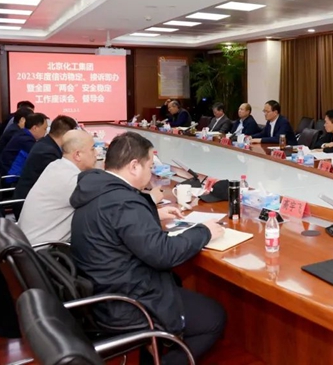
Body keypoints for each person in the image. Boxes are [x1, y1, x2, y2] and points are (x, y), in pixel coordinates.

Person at [70, 132, 226, 364]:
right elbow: (163, 254)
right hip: (125, 303)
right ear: (134, 166)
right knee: (213, 317)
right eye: (150, 166)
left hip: (104, 292)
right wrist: (205, 232)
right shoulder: (123, 202)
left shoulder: (99, 189)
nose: (151, 173)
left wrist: (151, 214)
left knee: (176, 281)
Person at [17, 130, 97, 244]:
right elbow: (105, 200)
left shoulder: (55, 165)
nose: (96, 153)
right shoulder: (71, 180)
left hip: (28, 240)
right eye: (92, 149)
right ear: (78, 155)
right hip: (45, 250)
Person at [13, 115, 78, 201]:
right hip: (30, 201)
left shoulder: (46, 143)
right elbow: (61, 182)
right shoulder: (47, 153)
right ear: (66, 135)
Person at [0, 113, 48, 180]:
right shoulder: (26, 141)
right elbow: (40, 158)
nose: (45, 132)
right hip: (12, 178)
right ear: (35, 128)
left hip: (9, 173)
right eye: (44, 129)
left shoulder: (23, 134)